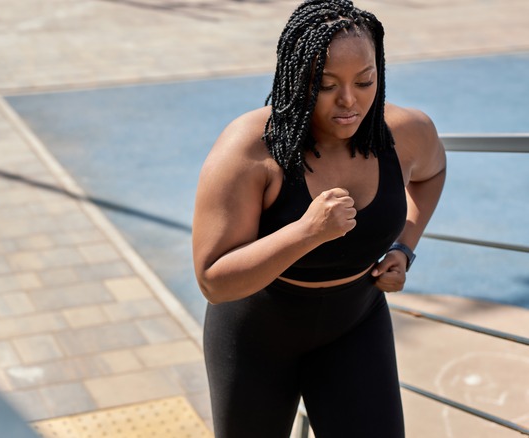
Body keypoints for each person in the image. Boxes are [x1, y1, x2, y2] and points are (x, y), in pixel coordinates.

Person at [191, 0, 447, 436]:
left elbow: (433, 173)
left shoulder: (405, 133)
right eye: (326, 85)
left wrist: (404, 246)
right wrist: (307, 232)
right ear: (296, 81)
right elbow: (214, 280)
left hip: (356, 322)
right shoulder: (249, 150)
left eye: (365, 81)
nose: (349, 101)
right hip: (256, 337)